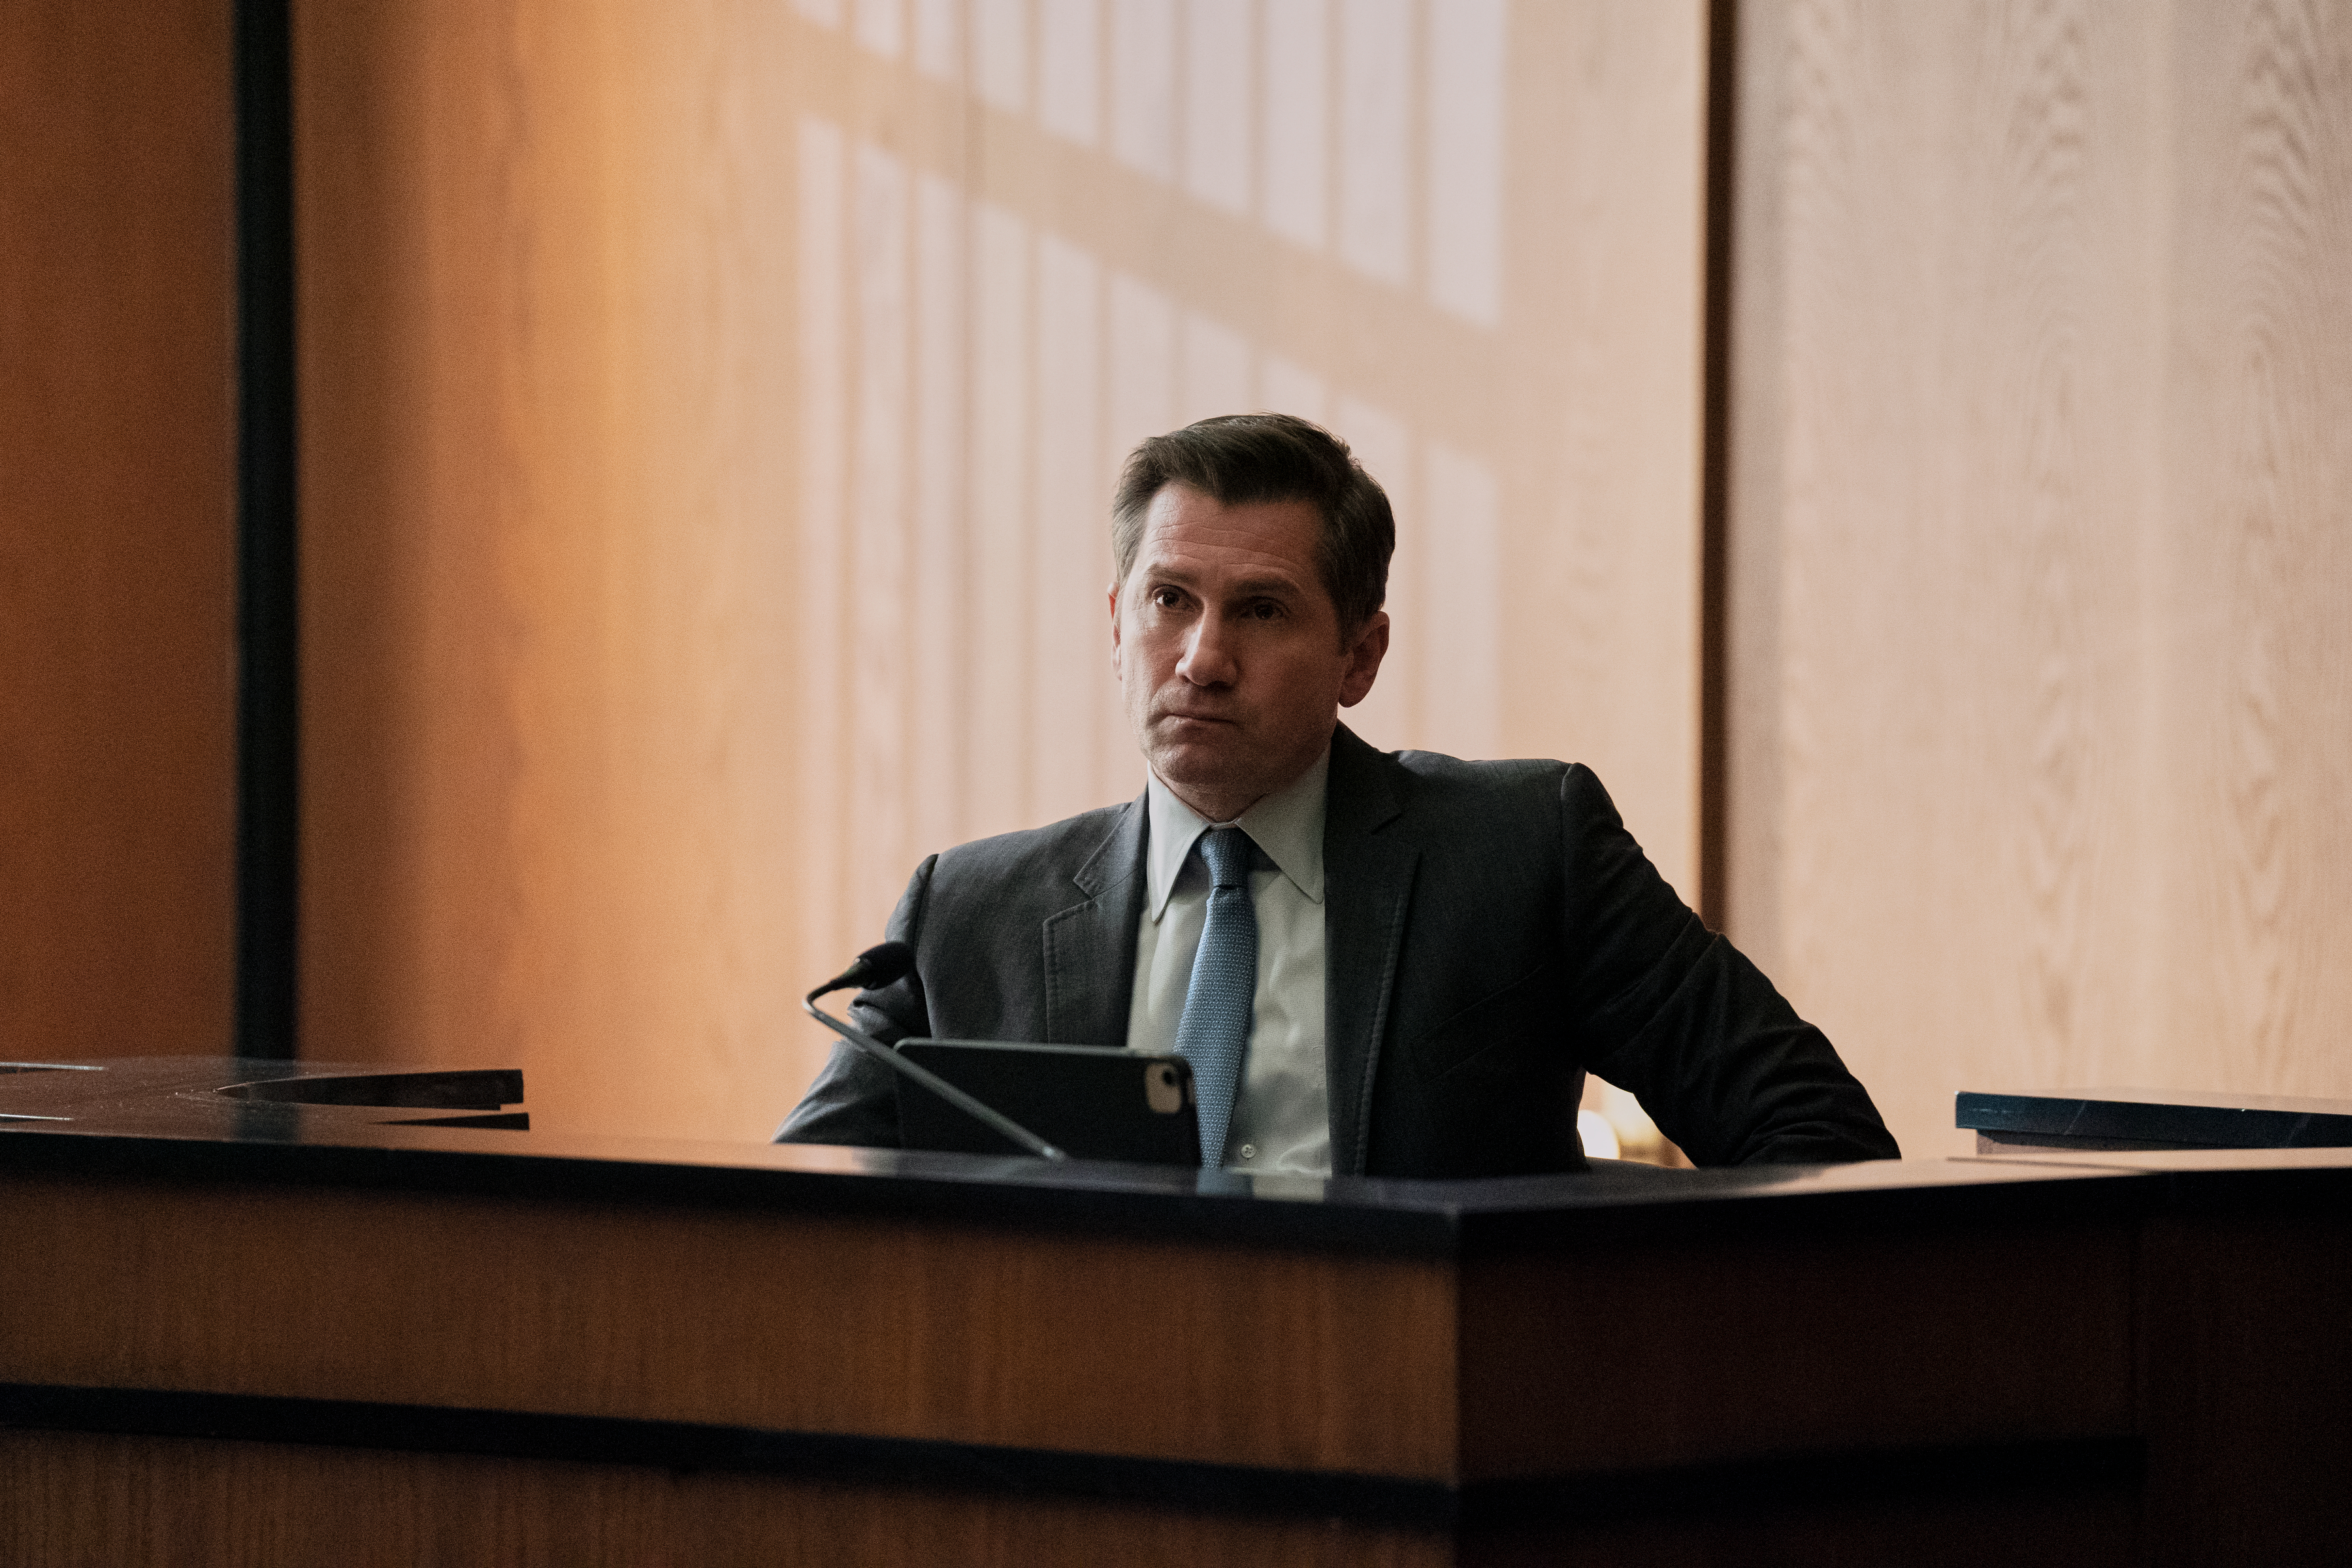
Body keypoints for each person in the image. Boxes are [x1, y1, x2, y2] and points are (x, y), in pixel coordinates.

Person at [779, 414, 1897, 1175]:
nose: (1203, 657)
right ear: (1115, 624)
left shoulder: (1522, 855)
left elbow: (1814, 1133)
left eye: (1261, 611)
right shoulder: (973, 913)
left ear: (1361, 657)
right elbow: (782, 1217)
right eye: (1170, 600)